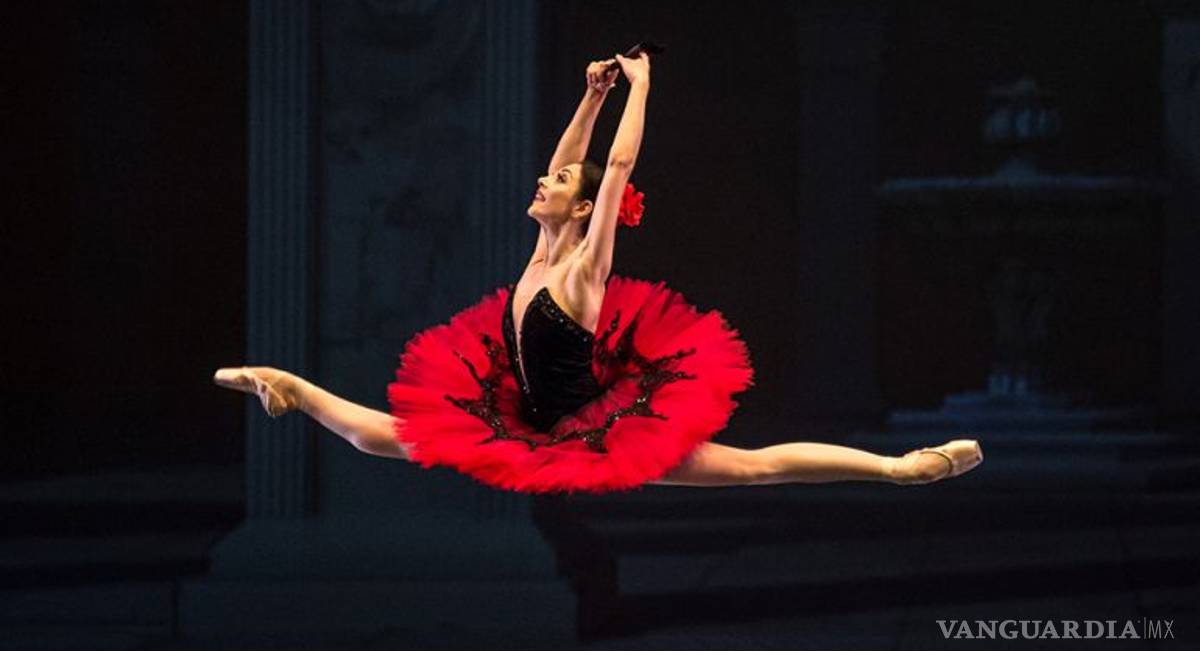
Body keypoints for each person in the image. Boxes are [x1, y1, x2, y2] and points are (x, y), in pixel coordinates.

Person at [215, 51, 982, 494]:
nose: (541, 181)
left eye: (555, 185)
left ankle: (898, 468)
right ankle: (293, 387)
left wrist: (640, 88)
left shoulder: (584, 265)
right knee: (388, 437)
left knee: (751, 469)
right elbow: (572, 161)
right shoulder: (541, 253)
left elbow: (611, 168)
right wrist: (591, 95)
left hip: (598, 433)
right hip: (531, 420)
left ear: (583, 210)